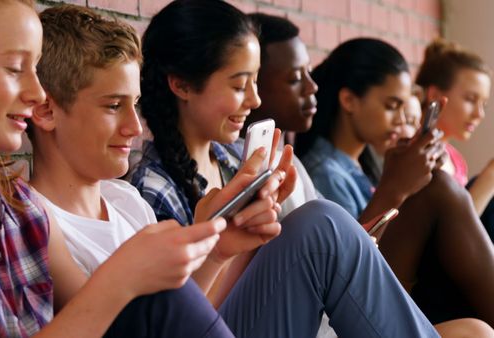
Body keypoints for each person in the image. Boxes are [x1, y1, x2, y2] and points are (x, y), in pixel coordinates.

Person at [0, 0, 236, 336]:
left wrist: (217, 250)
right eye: (15, 68)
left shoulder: (20, 205)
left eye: (35, 68)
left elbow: (129, 322)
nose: (37, 93)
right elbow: (110, 304)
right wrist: (120, 277)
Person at [128, 1, 440, 336]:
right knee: (320, 225)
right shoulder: (151, 189)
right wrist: (257, 241)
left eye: (255, 82)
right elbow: (176, 318)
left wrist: (272, 225)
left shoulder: (235, 160)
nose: (255, 100)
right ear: (182, 85)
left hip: (282, 310)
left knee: (474, 330)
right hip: (212, 326)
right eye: (238, 85)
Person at [296, 37, 494, 327]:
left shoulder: (364, 165)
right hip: (352, 304)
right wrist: (396, 187)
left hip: (385, 286)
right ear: (349, 100)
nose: (401, 119)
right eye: (391, 105)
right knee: (440, 188)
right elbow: (340, 266)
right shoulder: (326, 173)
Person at [415, 39, 494, 232]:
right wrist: (489, 178)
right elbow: (450, 235)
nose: (479, 114)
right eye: (470, 99)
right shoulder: (413, 155)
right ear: (434, 95)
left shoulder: (456, 160)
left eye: (483, 104)